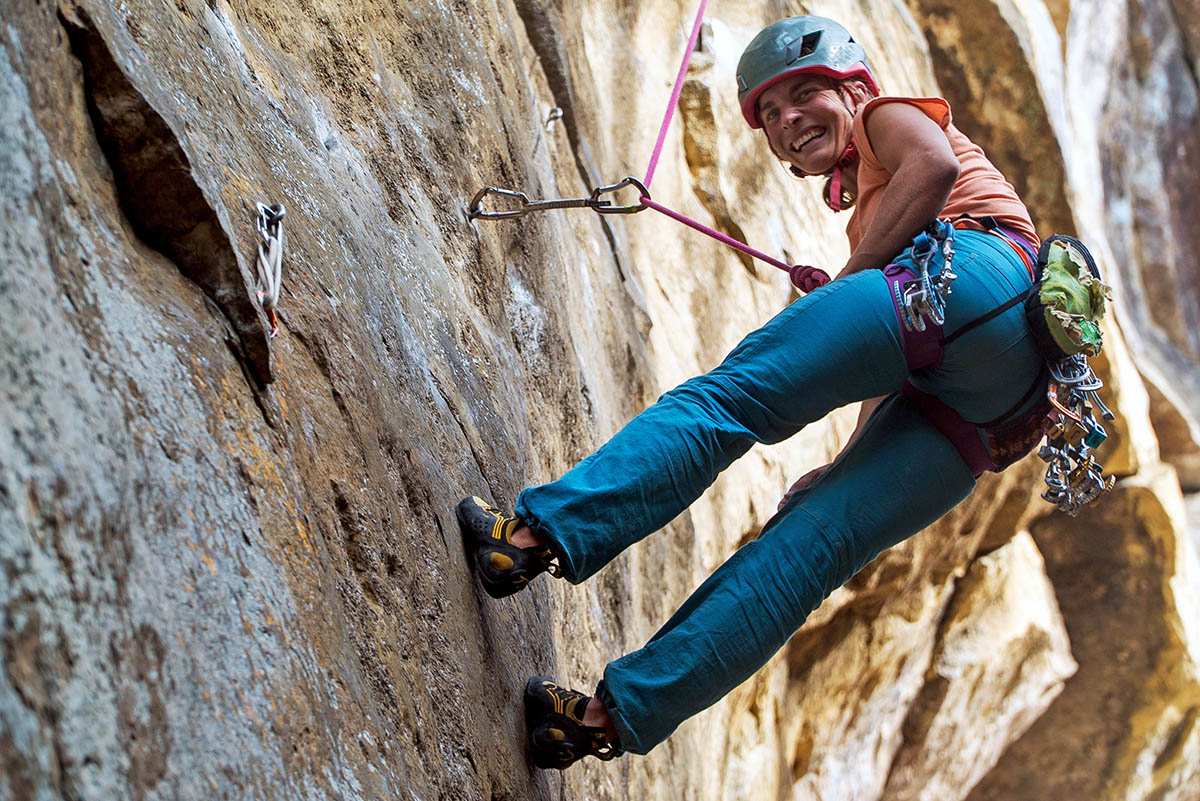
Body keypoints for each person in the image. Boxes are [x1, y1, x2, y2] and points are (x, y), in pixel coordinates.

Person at [457, 15, 1047, 769]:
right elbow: (899, 365)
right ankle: (598, 723)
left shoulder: (885, 114)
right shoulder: (875, 208)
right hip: (995, 404)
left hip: (972, 273)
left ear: (855, 86)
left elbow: (929, 167)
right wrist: (847, 462)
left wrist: (849, 280)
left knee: (730, 402)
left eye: (805, 94)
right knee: (810, 542)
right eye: (769, 114)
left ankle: (528, 538)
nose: (787, 119)